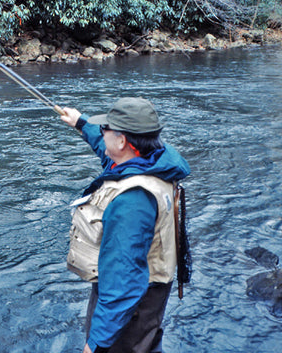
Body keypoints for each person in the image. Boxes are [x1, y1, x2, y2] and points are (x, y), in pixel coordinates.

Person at [60, 97, 190, 353]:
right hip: (147, 299)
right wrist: (81, 123)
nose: (102, 132)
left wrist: (95, 344)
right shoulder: (152, 161)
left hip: (131, 310)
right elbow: (105, 148)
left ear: (122, 141)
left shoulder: (132, 202)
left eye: (105, 128)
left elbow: (124, 282)